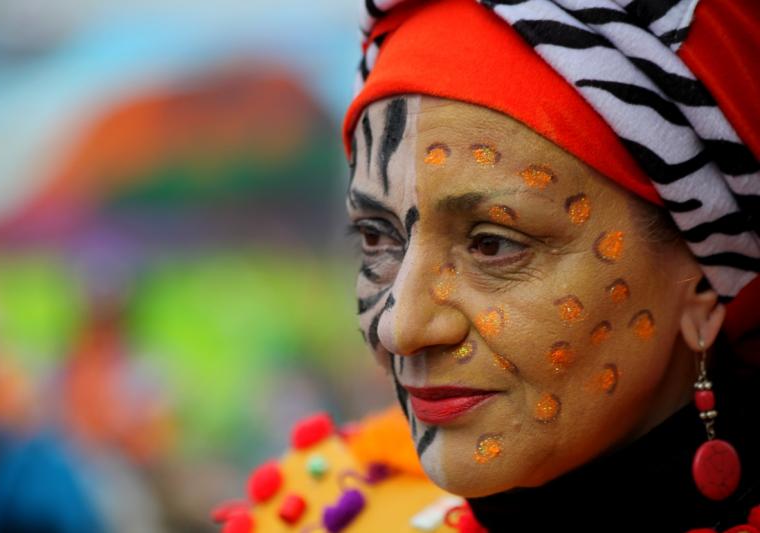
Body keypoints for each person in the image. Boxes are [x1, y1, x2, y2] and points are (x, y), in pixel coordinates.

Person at [213, 1, 760, 531]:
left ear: (702, 287)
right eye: (378, 237)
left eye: (494, 245)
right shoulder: (318, 516)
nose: (400, 328)